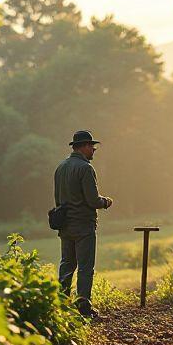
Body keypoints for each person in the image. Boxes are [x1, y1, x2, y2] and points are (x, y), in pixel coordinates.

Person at [54, 130, 113, 319]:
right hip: (83, 225)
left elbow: (58, 199)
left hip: (65, 225)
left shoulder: (61, 167)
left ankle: (61, 305)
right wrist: (106, 202)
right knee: (85, 267)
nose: (94, 150)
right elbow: (93, 200)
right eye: (92, 146)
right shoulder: (86, 168)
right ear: (85, 146)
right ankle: (83, 307)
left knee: (66, 265)